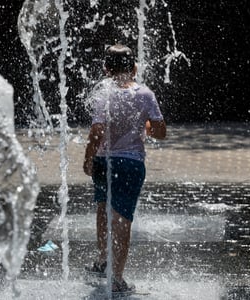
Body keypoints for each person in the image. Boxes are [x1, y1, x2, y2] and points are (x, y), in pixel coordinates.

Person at [83, 44, 167, 294]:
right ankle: (117, 278)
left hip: (102, 162)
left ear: (106, 69)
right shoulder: (145, 94)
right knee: (123, 220)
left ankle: (102, 260)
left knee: (102, 208)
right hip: (130, 163)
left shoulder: (103, 93)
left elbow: (96, 131)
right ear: (134, 68)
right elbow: (161, 132)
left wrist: (88, 159)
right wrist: (146, 126)